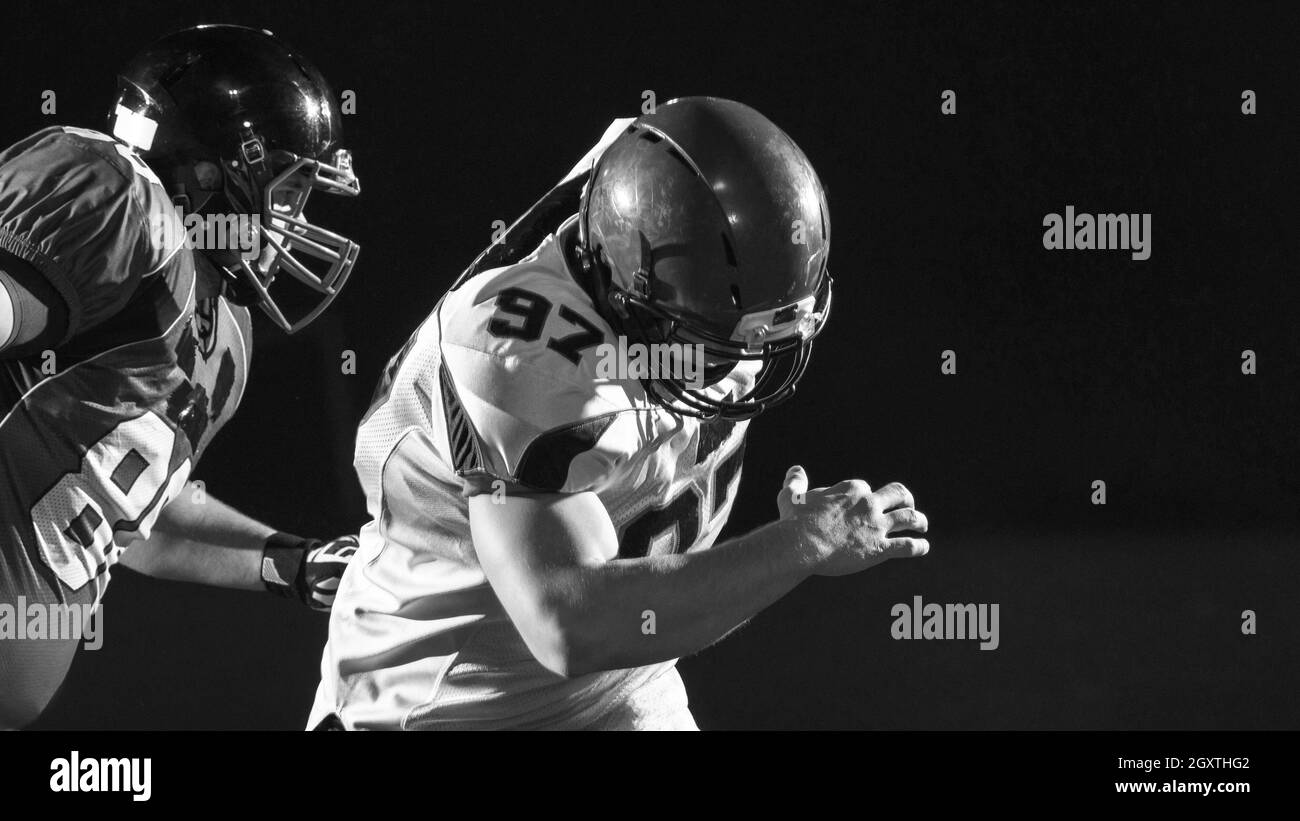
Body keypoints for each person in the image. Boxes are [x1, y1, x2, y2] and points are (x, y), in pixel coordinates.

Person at [310, 97, 929, 730]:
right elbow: (569, 627)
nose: (737, 365)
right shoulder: (524, 359)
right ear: (628, 300)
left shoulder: (668, 213)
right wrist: (801, 542)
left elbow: (675, 164)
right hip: (444, 708)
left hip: (619, 694)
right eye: (709, 344)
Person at [0, 25, 361, 729]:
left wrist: (290, 561)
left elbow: (136, 518)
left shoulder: (224, 336)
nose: (294, 219)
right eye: (288, 190)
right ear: (211, 171)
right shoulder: (120, 198)